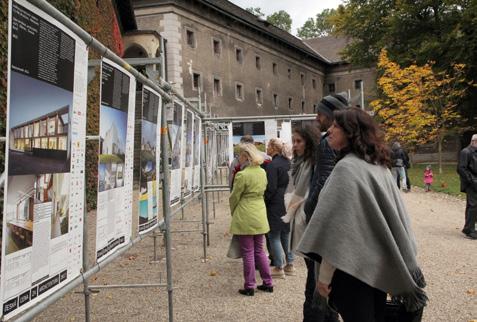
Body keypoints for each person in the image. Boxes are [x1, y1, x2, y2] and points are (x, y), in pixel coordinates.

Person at [298, 108, 427, 322]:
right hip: (377, 269)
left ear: (351, 132)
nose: (329, 130)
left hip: (351, 271)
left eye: (336, 126)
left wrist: (324, 277)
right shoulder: (377, 165)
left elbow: (336, 232)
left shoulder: (346, 169)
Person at [303, 92, 348, 322]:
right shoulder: (330, 142)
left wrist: (309, 211)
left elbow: (324, 184)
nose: (317, 117)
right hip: (321, 222)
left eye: (320, 113)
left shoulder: (329, 144)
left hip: (322, 225)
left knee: (317, 292)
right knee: (320, 289)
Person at [229, 143, 273, 296]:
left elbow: (234, 196)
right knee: (260, 250)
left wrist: (233, 211)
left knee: (248, 252)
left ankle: (249, 285)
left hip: (245, 213)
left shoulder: (242, 175)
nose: (238, 159)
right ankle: (268, 282)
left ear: (246, 157)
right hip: (259, 212)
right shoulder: (262, 172)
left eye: (240, 156)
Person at [281, 126, 319, 252]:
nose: (295, 145)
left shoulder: (312, 163)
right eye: (294, 141)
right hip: (298, 209)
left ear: (308, 143)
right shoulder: (298, 162)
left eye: (299, 141)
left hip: (307, 211)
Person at [264, 138, 292, 278]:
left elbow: (271, 188)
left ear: (274, 148)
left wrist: (264, 201)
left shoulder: (272, 166)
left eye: (268, 145)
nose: (266, 148)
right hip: (289, 200)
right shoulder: (289, 163)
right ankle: (290, 264)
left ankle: (279, 266)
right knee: (286, 233)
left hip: (276, 202)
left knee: (274, 235)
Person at [457, 134, 477, 240]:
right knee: (473, 205)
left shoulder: (474, 152)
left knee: (472, 206)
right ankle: (469, 230)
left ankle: (469, 228)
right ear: (474, 141)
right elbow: (461, 168)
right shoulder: (466, 152)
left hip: (474, 182)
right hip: (471, 184)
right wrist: (472, 181)